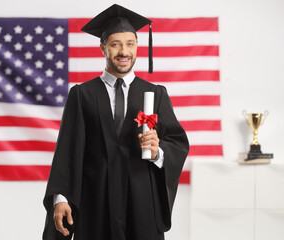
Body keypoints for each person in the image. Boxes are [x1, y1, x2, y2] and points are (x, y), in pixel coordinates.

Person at [43, 4, 189, 240]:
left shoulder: (156, 93)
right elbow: (67, 152)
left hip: (142, 204)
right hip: (96, 202)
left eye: (130, 44)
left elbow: (178, 143)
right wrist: (61, 198)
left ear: (137, 46)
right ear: (103, 48)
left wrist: (157, 152)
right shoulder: (82, 95)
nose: (124, 51)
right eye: (115, 44)